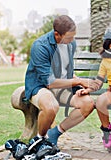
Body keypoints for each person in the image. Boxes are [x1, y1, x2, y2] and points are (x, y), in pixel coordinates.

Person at [23, 15, 97, 158]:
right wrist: (78, 81)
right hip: (41, 86)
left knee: (87, 103)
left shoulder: (71, 44)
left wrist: (80, 82)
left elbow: (66, 70)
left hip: (63, 86)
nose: (72, 41)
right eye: (69, 37)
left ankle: (53, 134)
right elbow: (49, 82)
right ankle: (40, 140)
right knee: (51, 106)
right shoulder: (40, 46)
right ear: (57, 34)